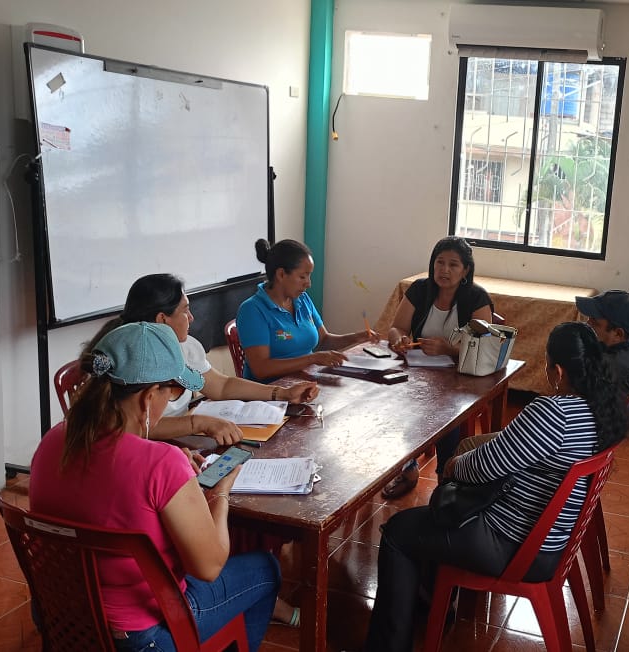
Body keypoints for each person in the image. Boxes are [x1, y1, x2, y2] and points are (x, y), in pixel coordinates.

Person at [363, 322, 629, 652]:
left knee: (398, 532)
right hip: (551, 543)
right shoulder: (601, 409)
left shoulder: (553, 413)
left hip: (511, 543)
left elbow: (482, 468)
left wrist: (453, 465)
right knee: (430, 522)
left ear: (558, 371)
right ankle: (426, 607)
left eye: (547, 365)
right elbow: (510, 453)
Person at [30, 322, 281, 650]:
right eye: (172, 391)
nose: (172, 399)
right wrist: (220, 492)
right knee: (266, 569)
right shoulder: (162, 464)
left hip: (60, 617)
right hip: (141, 637)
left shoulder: (52, 441)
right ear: (148, 398)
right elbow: (208, 567)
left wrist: (176, 476)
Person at [84, 274, 321, 446]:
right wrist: (198, 423)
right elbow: (128, 426)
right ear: (162, 319)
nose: (192, 318)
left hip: (181, 444)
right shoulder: (129, 361)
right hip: (142, 452)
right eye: (185, 311)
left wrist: (282, 394)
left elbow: (222, 385)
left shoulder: (186, 347)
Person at [384, 236, 494, 498]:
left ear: (465, 270)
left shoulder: (477, 298)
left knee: (447, 412)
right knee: (393, 401)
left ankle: (446, 477)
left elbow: (485, 347)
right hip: (419, 372)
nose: (444, 270)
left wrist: (449, 349)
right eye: (439, 262)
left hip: (460, 377)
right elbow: (397, 327)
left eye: (453, 265)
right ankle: (407, 467)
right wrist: (399, 339)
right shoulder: (420, 290)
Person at [237, 238, 378, 382]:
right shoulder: (252, 310)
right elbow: (261, 369)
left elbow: (323, 341)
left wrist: (357, 337)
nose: (309, 283)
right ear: (281, 275)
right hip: (271, 390)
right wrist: (312, 359)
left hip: (305, 382)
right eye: (302, 276)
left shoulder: (302, 299)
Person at [575, 289, 629, 399]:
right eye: (589, 319)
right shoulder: (609, 349)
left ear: (617, 334)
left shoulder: (613, 370)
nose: (587, 324)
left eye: (595, 322)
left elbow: (596, 407)